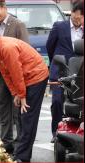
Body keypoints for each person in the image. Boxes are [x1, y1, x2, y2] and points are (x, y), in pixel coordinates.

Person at [0, 26, 49, 162]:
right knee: (20, 116)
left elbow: (16, 73)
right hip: (26, 78)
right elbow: (6, 74)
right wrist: (16, 93)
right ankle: (21, 153)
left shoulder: (6, 48)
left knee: (28, 118)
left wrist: (22, 95)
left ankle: (22, 158)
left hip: (36, 76)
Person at [0, 0, 29, 153]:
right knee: (3, 109)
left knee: (18, 110)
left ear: (4, 8)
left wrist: (23, 75)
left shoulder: (18, 24)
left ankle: (21, 143)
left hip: (16, 74)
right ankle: (7, 142)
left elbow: (25, 49)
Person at [46, 1, 83, 143]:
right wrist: (55, 62)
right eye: (76, 17)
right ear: (72, 13)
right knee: (57, 101)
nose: (77, 21)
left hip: (80, 72)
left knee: (78, 104)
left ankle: (77, 130)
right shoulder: (59, 27)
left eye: (81, 19)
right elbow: (50, 46)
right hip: (60, 69)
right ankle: (56, 132)